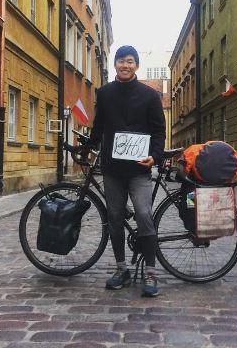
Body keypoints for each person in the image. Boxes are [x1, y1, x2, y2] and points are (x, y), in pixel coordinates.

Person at [87, 45, 166, 297]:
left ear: (137, 66)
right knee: (115, 218)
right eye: (121, 61)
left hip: (139, 169)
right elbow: (98, 127)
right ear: (115, 65)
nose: (125, 65)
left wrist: (154, 155)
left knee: (143, 214)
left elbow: (158, 130)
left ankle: (152, 272)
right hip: (113, 168)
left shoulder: (150, 95)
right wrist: (87, 145)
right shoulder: (106, 93)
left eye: (130, 61)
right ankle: (122, 268)